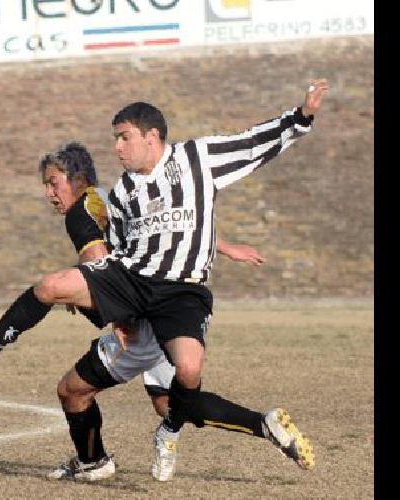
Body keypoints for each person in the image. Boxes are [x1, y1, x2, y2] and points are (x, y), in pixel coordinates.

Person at [0, 79, 329, 481]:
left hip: (174, 299)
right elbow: (137, 243)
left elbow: (251, 143)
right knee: (52, 288)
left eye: (124, 138)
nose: (117, 148)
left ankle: (145, 442)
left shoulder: (196, 159)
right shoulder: (124, 191)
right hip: (135, 283)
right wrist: (119, 300)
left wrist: (300, 118)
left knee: (178, 386)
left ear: (152, 136)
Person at [31, 142, 266, 481]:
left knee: (73, 389)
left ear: (76, 179)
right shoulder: (106, 200)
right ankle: (266, 425)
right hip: (159, 310)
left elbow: (105, 259)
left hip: (145, 316)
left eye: (53, 183)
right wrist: (226, 247)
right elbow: (161, 232)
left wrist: (116, 314)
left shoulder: (89, 210)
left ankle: (92, 461)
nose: (49, 193)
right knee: (168, 403)